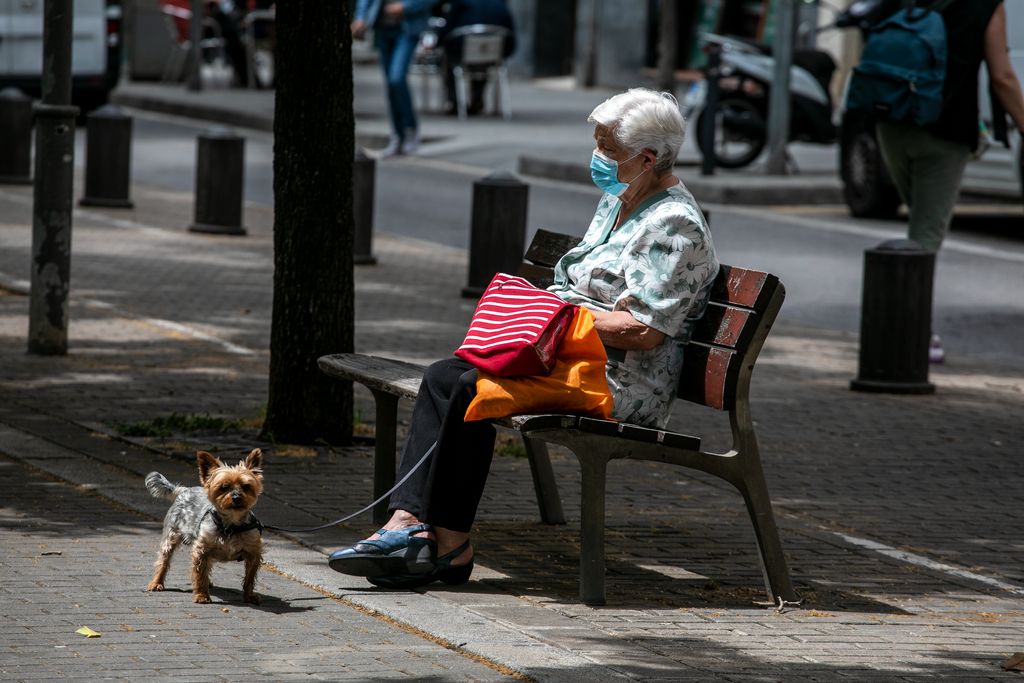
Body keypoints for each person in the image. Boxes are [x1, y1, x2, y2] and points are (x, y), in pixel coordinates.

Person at [328, 88, 720, 589]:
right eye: (597, 144)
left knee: (472, 388)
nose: (597, 158)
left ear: (647, 159)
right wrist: (537, 313)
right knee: (446, 375)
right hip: (570, 358)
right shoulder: (618, 199)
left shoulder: (673, 225)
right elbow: (575, 284)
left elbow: (642, 331)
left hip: (618, 382)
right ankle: (408, 524)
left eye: (607, 150)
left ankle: (448, 545)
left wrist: (552, 319)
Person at [872, 0, 1024, 362]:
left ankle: (900, 327)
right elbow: (1002, 76)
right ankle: (912, 336)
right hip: (945, 131)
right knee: (925, 237)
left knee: (916, 226)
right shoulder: (986, 6)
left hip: (891, 121)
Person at [352, 0, 439, 157]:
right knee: (390, 85)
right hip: (383, 28)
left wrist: (406, 6)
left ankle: (410, 129)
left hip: (407, 28)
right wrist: (361, 17)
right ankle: (398, 135)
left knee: (396, 79)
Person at [438, 0, 517, 116]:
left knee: (449, 59)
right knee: (483, 60)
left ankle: (454, 101)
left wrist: (438, 43)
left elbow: (447, 29)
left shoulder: (460, 3)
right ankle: (477, 98)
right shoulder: (501, 3)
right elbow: (511, 33)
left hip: (462, 50)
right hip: (493, 53)